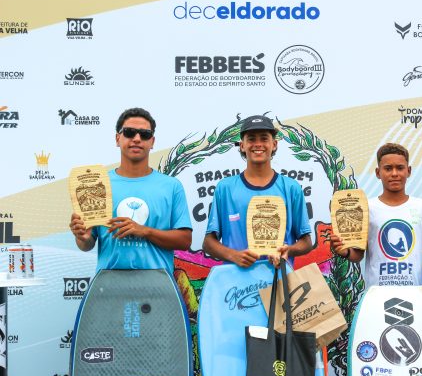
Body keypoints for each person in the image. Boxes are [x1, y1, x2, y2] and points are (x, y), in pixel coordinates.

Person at [69, 107, 192, 270]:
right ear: (117, 138)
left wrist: (144, 231)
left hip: (158, 285)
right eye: (129, 132)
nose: (137, 138)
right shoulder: (98, 184)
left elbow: (184, 241)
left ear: (152, 142)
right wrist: (83, 238)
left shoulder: (171, 186)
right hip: (109, 283)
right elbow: (87, 244)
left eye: (144, 134)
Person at [331, 143, 422, 288]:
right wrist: (345, 252)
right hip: (377, 294)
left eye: (400, 168)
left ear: (408, 171)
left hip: (414, 293)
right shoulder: (366, 208)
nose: (394, 173)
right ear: (378, 173)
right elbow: (357, 255)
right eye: (388, 168)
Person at [202, 115, 312, 267]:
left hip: (278, 278)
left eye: (264, 138)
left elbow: (306, 242)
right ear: (242, 145)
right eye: (251, 139)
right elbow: (208, 243)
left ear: (274, 144)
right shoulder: (225, 188)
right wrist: (234, 256)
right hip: (236, 283)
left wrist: (289, 250)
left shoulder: (291, 188)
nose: (258, 144)